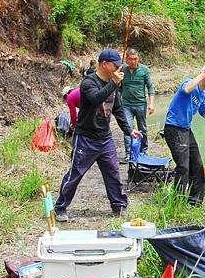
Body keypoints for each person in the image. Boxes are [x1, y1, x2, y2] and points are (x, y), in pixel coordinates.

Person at [54, 49, 142, 222]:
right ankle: (60, 208)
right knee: (75, 174)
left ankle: (119, 206)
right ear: (104, 64)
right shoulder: (88, 82)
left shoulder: (113, 83)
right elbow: (96, 98)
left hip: (105, 138)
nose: (118, 69)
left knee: (113, 172)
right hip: (85, 138)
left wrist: (129, 130)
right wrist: (113, 84)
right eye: (115, 66)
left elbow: (118, 110)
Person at [163, 63, 205, 206]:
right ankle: (177, 202)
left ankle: (195, 202)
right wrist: (203, 73)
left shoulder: (203, 94)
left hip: (186, 129)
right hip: (174, 128)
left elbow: (203, 111)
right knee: (183, 167)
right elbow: (186, 89)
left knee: (197, 165)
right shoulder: (188, 83)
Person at [120, 48, 155, 163]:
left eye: (135, 59)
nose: (133, 61)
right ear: (126, 59)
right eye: (130, 59)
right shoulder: (122, 70)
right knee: (127, 129)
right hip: (126, 105)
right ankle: (129, 154)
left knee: (142, 129)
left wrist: (151, 104)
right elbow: (117, 86)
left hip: (140, 105)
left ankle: (143, 151)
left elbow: (150, 87)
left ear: (138, 59)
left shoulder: (144, 70)